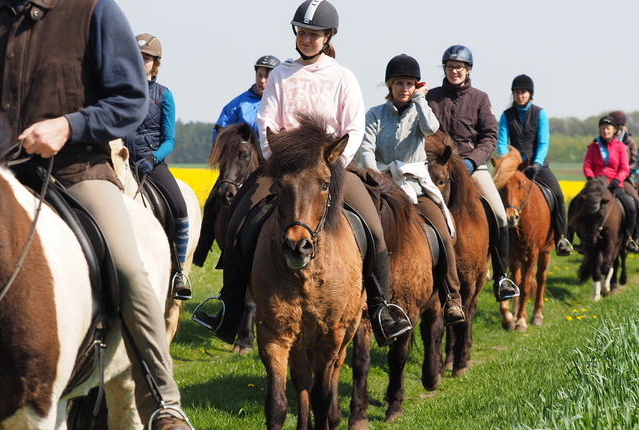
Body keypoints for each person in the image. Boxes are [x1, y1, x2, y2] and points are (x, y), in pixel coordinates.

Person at [0, 0, 197, 430]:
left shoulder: (96, 11)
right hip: (4, 172)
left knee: (128, 267)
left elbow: (129, 101)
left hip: (76, 170)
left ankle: (163, 402)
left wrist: (69, 125)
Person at [193, 0, 411, 347]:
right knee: (236, 222)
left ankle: (381, 308)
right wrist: (275, 161)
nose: (307, 38)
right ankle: (229, 307)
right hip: (284, 168)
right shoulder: (280, 73)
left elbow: (352, 127)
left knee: (373, 227)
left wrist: (333, 163)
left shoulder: (342, 77)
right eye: (302, 32)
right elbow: (267, 122)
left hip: (331, 167)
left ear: (328, 37)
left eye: (314, 33)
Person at [360, 54, 465, 327]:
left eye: (409, 84)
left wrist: (420, 99)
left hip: (415, 186)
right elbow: (367, 150)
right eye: (399, 84)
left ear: (416, 86)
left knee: (442, 232)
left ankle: (452, 298)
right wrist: (375, 177)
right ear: (389, 86)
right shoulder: (374, 114)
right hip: (382, 185)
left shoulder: (421, 111)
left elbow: (432, 128)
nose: (404, 88)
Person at [426, 45, 520, 302]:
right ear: (444, 69)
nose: (455, 71)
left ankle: (502, 277)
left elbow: (489, 135)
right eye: (450, 66)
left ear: (468, 70)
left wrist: (471, 162)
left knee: (500, 214)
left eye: (459, 67)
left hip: (472, 167)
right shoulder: (430, 97)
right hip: (436, 168)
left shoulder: (480, 98)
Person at [124, 33, 191, 300]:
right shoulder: (117, 91)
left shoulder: (164, 95)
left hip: (150, 163)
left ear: (156, 62)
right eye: (137, 57)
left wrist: (152, 159)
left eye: (147, 59)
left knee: (181, 208)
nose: (141, 63)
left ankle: (178, 272)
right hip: (119, 160)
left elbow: (169, 139)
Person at [497, 74, 573, 256]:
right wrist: (507, 162)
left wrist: (537, 164)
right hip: (514, 168)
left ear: (530, 94)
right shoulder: (506, 115)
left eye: (523, 92)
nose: (520, 95)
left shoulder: (541, 114)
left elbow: (543, 143)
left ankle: (562, 238)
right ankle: (494, 241)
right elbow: (501, 141)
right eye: (516, 92)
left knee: (558, 195)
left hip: (537, 167)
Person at [580, 115, 639, 254]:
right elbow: (587, 165)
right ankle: (575, 239)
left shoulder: (621, 147)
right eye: (603, 128)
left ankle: (632, 238)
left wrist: (618, 180)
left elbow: (624, 167)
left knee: (633, 207)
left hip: (615, 184)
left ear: (614, 130)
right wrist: (592, 179)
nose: (605, 131)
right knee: (577, 203)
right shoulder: (593, 146)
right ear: (599, 129)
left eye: (608, 128)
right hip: (597, 184)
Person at [212, 55, 281, 144]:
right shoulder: (238, 103)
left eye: (267, 76)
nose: (262, 80)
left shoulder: (285, 103)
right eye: (259, 75)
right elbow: (220, 131)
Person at [609, 111, 639, 177]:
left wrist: (624, 172)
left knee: (631, 188)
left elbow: (635, 162)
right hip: (606, 175)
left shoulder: (630, 142)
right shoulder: (604, 140)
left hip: (624, 176)